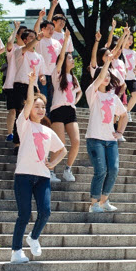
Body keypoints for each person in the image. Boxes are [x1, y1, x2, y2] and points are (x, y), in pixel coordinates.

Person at [10, 71, 66, 264]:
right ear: (29, 108)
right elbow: (27, 106)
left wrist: (53, 164)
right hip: (24, 176)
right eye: (37, 106)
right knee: (24, 214)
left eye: (43, 107)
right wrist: (32, 83)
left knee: (46, 211)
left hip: (42, 177)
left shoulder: (48, 131)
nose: (41, 110)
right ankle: (16, 251)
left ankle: (33, 237)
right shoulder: (23, 124)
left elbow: (63, 150)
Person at [85, 54, 127, 213]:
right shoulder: (92, 93)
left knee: (114, 170)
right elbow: (100, 76)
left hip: (110, 140)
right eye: (105, 75)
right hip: (95, 139)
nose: (107, 78)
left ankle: (104, 201)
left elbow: (124, 115)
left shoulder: (113, 96)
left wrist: (120, 131)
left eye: (110, 76)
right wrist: (108, 62)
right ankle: (93, 204)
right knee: (101, 171)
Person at [49, 30, 82, 182]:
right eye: (70, 58)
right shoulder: (57, 74)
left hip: (70, 110)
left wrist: (74, 101)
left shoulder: (73, 77)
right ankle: (51, 170)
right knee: (59, 143)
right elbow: (61, 57)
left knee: (76, 141)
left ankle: (67, 169)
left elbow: (79, 92)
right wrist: (66, 40)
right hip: (58, 110)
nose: (72, 60)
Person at [11, 29, 47, 150]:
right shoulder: (19, 51)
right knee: (21, 114)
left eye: (34, 37)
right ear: (25, 40)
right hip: (20, 86)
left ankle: (31, 141)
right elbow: (26, 48)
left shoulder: (40, 57)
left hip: (33, 88)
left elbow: (41, 73)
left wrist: (42, 78)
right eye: (31, 37)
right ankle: (17, 143)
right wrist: (37, 39)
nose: (34, 39)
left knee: (34, 115)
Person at [33, 9, 62, 116]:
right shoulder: (39, 40)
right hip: (43, 74)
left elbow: (61, 58)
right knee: (43, 97)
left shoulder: (57, 43)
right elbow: (35, 31)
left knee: (52, 99)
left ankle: (49, 119)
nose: (51, 30)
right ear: (43, 29)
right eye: (48, 28)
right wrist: (40, 18)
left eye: (52, 28)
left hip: (54, 74)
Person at [3, 22, 26, 142]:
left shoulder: (29, 51)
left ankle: (21, 133)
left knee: (22, 111)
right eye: (22, 34)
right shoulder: (14, 49)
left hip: (25, 84)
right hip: (11, 84)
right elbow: (9, 43)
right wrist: (16, 28)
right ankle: (9, 133)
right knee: (12, 109)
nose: (24, 36)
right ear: (17, 35)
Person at [120, 29, 136, 114]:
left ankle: (127, 111)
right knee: (122, 96)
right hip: (122, 77)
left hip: (131, 77)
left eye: (132, 39)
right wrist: (126, 34)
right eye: (128, 39)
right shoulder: (121, 50)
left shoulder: (133, 52)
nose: (130, 41)